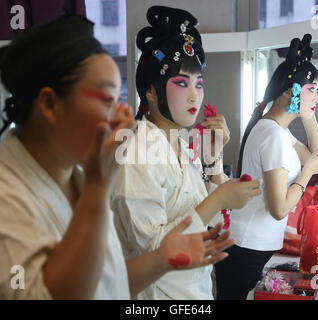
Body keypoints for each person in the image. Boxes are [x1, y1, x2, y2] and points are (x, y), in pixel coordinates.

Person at [0, 15, 234, 300]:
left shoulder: (78, 179)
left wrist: (161, 259)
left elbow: (108, 283)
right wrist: (97, 188)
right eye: (107, 100)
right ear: (49, 104)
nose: (122, 115)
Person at [110, 6, 262, 300]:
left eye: (199, 83)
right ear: (151, 92)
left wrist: (214, 160)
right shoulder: (138, 151)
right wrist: (219, 197)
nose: (194, 94)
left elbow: (211, 224)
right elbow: (152, 251)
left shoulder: (180, 143)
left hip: (195, 289)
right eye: (181, 83)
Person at [215, 34, 318, 300]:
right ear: (291, 92)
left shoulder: (277, 130)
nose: (317, 98)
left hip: (249, 245)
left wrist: (308, 115)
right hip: (246, 247)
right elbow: (279, 209)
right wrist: (306, 173)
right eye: (312, 90)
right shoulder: (273, 135)